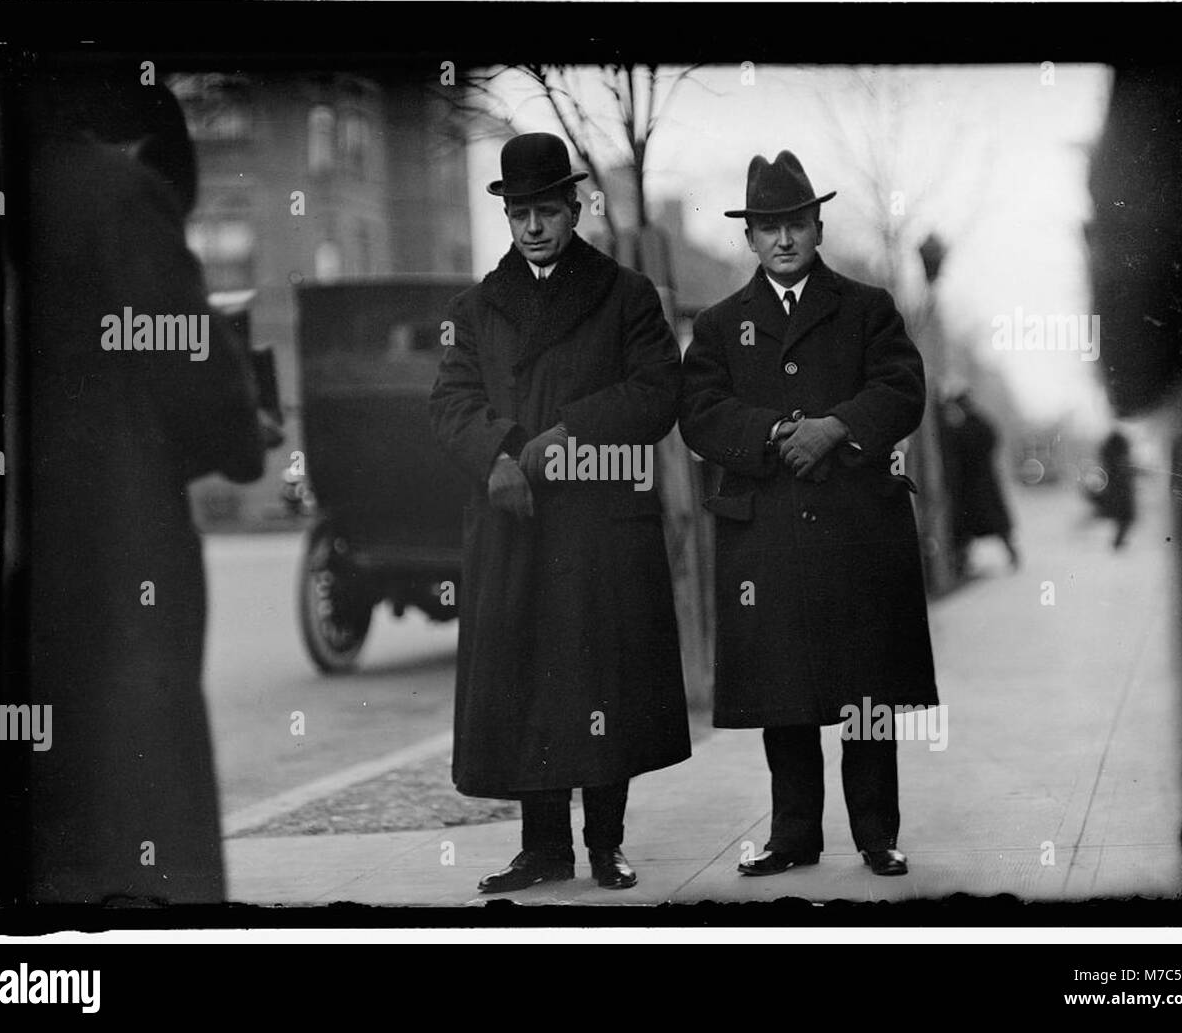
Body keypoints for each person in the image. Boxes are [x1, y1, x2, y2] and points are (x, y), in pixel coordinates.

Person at [17, 74, 270, 904]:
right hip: (110, 556)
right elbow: (197, 374)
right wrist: (238, 436)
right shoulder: (116, 196)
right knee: (141, 798)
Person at [429, 133, 691, 893]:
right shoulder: (476, 308)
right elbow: (449, 402)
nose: (534, 226)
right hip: (514, 526)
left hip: (599, 520)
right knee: (528, 680)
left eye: (547, 209)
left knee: (600, 678)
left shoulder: (625, 295)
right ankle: (543, 848)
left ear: (576, 209)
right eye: (520, 212)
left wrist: (565, 438)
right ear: (506, 217)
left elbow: (657, 391)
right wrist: (499, 454)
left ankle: (605, 842)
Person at [680, 150, 938, 878]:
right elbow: (699, 412)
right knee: (783, 690)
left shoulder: (867, 307)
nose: (783, 240)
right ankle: (793, 835)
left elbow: (901, 387)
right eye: (768, 227)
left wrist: (837, 426)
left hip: (857, 531)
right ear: (749, 238)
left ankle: (877, 833)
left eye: (795, 224)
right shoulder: (723, 325)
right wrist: (769, 435)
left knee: (867, 691)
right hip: (765, 533)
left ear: (818, 226)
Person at [940, 390, 1019, 573]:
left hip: (973, 484)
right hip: (979, 483)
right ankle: (964, 560)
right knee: (985, 525)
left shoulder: (966, 427)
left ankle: (962, 561)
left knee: (969, 525)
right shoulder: (978, 424)